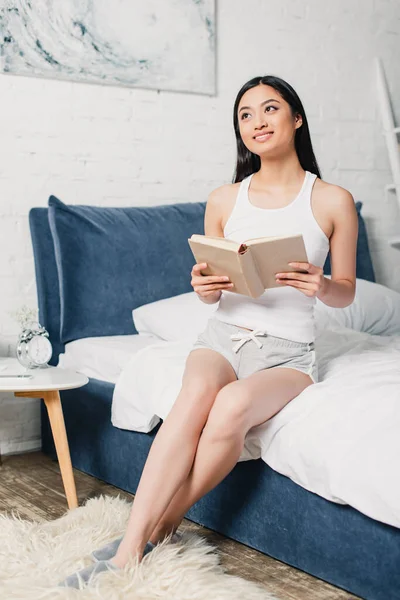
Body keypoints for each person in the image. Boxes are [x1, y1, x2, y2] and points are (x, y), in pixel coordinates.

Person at [60, 74, 358, 588]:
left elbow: (348, 289)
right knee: (195, 393)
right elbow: (214, 288)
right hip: (222, 336)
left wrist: (321, 283)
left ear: (296, 118)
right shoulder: (225, 199)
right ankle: (132, 547)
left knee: (231, 408)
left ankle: (164, 523)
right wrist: (205, 287)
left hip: (288, 354)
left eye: (269, 109)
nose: (257, 122)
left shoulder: (332, 200)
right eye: (245, 114)